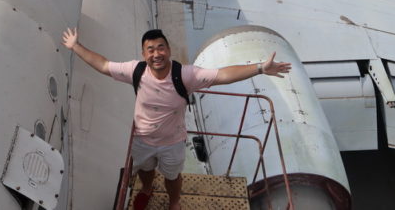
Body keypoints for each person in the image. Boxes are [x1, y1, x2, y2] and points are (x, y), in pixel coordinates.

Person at [61, 27, 292, 210]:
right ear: (144, 54)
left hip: (172, 142)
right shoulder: (136, 71)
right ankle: (147, 190)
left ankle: (174, 202)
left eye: (160, 48)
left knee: (172, 177)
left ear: (168, 50)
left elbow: (222, 75)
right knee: (144, 171)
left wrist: (261, 68)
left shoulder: (185, 75)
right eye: (150, 50)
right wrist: (75, 46)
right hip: (142, 139)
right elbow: (103, 65)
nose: (156, 54)